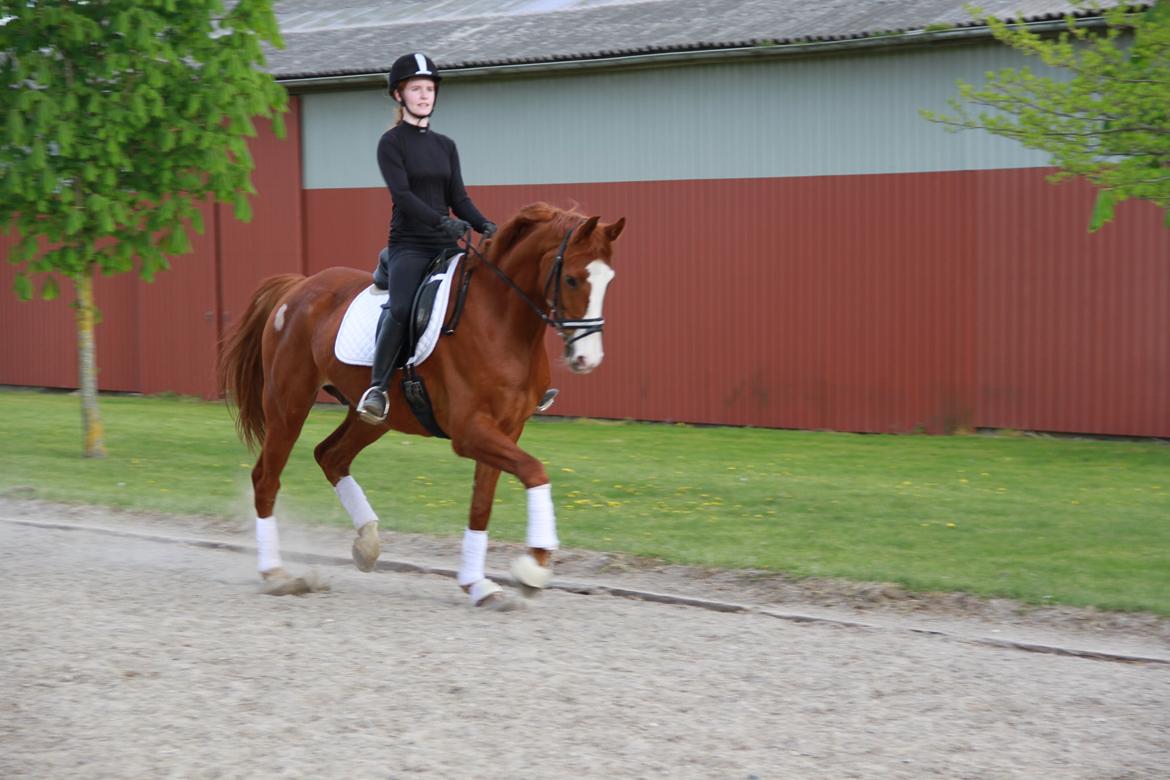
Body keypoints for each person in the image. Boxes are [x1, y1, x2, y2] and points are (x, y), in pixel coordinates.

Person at [357, 52, 496, 425]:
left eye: (429, 89)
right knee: (402, 309)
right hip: (411, 245)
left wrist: (486, 225)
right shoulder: (391, 143)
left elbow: (459, 198)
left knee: (485, 297)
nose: (424, 95)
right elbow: (402, 195)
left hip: (447, 245)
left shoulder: (446, 146)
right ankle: (377, 388)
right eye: (416, 89)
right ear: (399, 95)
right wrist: (440, 221)